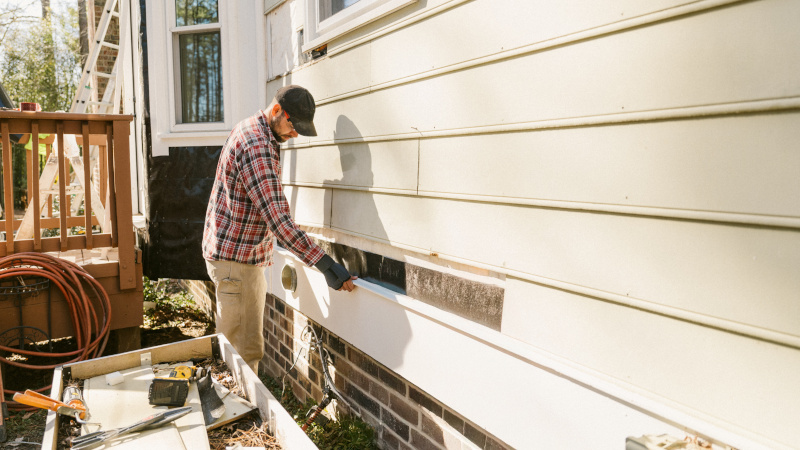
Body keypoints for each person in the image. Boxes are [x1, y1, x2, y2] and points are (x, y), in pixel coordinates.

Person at [202, 85, 356, 371]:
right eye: (292, 125)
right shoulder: (257, 146)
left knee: (240, 352)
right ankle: (239, 412)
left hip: (233, 257)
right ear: (276, 111)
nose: (294, 134)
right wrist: (326, 265)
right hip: (236, 264)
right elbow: (279, 220)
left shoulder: (251, 129)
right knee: (242, 356)